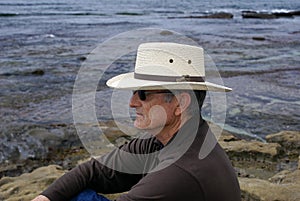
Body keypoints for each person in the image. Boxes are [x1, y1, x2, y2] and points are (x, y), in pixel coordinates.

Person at [32, 42, 241, 201]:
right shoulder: (177, 138)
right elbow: (93, 171)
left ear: (180, 103)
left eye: (143, 94)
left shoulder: (179, 171)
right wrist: (46, 197)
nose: (132, 103)